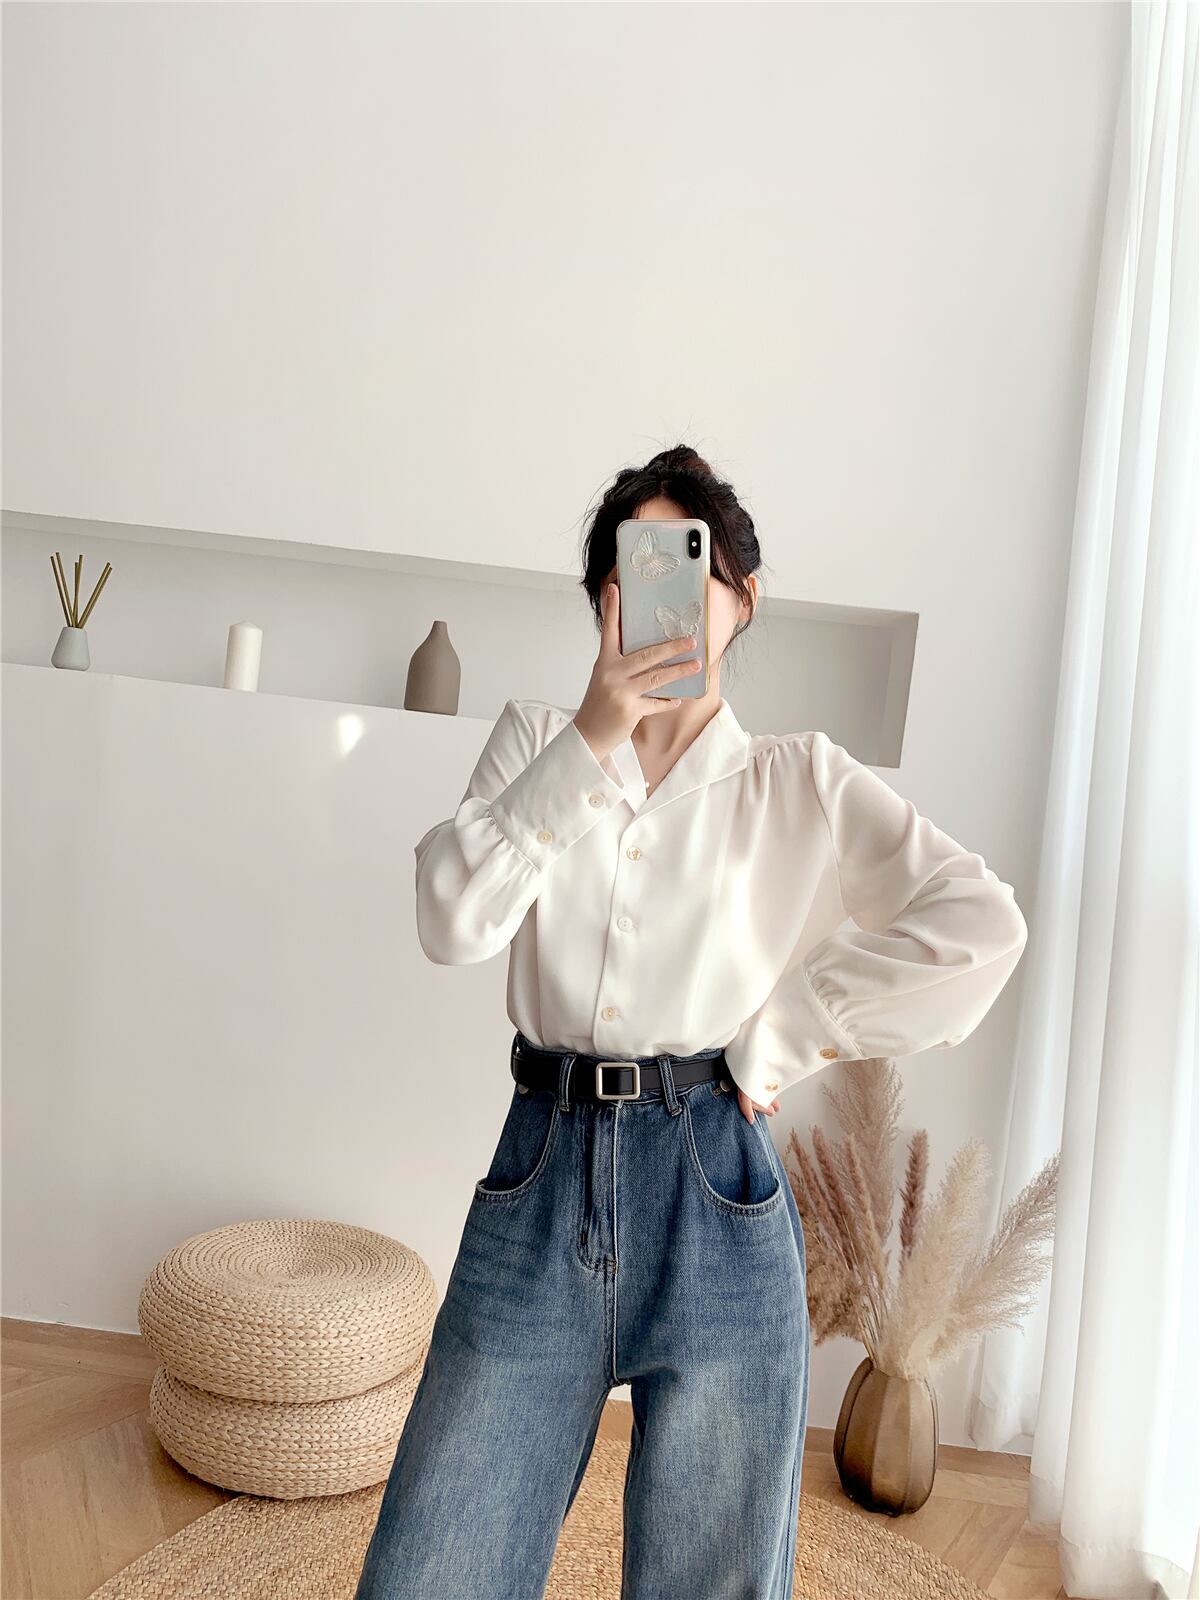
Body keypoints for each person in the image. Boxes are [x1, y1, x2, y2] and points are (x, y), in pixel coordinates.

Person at [353, 446, 1029, 1600]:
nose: (662, 597)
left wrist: (786, 1030)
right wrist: (589, 740)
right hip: (540, 1171)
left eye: (690, 564)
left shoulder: (797, 780)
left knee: (710, 1582)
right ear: (603, 601)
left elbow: (980, 924)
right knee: (431, 1569)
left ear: (741, 595)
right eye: (632, 569)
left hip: (719, 1184)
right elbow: (452, 920)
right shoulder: (535, 741)